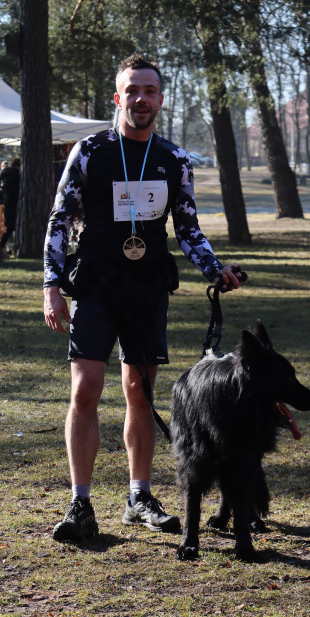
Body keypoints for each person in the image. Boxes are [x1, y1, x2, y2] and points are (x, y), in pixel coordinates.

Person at [43, 53, 243, 543]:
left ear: (160, 99)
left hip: (147, 288)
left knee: (141, 392)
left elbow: (188, 228)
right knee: (85, 390)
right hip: (95, 287)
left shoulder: (174, 159)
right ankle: (80, 503)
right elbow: (59, 220)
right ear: (118, 98)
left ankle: (139, 497)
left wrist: (215, 269)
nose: (141, 99)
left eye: (149, 91)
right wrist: (51, 285)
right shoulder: (89, 151)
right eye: (132, 90)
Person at [0, 157, 20, 252]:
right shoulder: (17, 175)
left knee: (9, 227)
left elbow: (0, 185)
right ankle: (3, 246)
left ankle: (3, 246)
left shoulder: (5, 174)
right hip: (14, 203)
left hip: (8, 203)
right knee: (12, 227)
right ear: (18, 166)